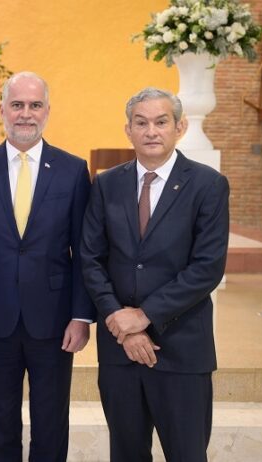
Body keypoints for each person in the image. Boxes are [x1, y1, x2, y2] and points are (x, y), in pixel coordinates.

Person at [81, 87, 229, 462]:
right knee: (126, 453)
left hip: (181, 349)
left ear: (179, 127)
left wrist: (144, 316)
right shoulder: (107, 184)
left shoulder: (208, 185)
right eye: (141, 123)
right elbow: (91, 258)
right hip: (119, 350)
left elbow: (207, 267)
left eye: (161, 122)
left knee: (187, 454)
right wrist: (121, 322)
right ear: (128, 130)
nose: (151, 131)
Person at [0, 71, 94, 462]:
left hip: (54, 319)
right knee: (0, 419)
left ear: (47, 111)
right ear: (2, 110)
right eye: (17, 105)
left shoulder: (72, 169)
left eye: (35, 105)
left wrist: (81, 315)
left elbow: (84, 251)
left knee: (51, 420)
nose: (26, 114)